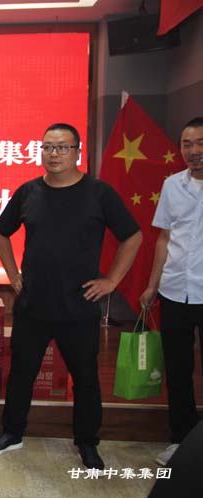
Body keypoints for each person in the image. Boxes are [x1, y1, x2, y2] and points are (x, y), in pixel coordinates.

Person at [0, 123, 142, 470]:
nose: (54, 154)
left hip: (79, 306)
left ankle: (87, 442)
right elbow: (0, 232)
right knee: (22, 372)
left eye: (62, 147)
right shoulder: (28, 192)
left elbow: (133, 236)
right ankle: (12, 432)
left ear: (77, 152)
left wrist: (112, 280)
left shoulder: (99, 193)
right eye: (48, 147)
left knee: (85, 379)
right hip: (33, 303)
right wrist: (13, 275)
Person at [139, 116, 203, 466]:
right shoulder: (172, 185)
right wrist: (152, 285)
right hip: (175, 290)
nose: (193, 151)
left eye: (201, 143)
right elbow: (164, 238)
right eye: (186, 144)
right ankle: (181, 440)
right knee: (178, 371)